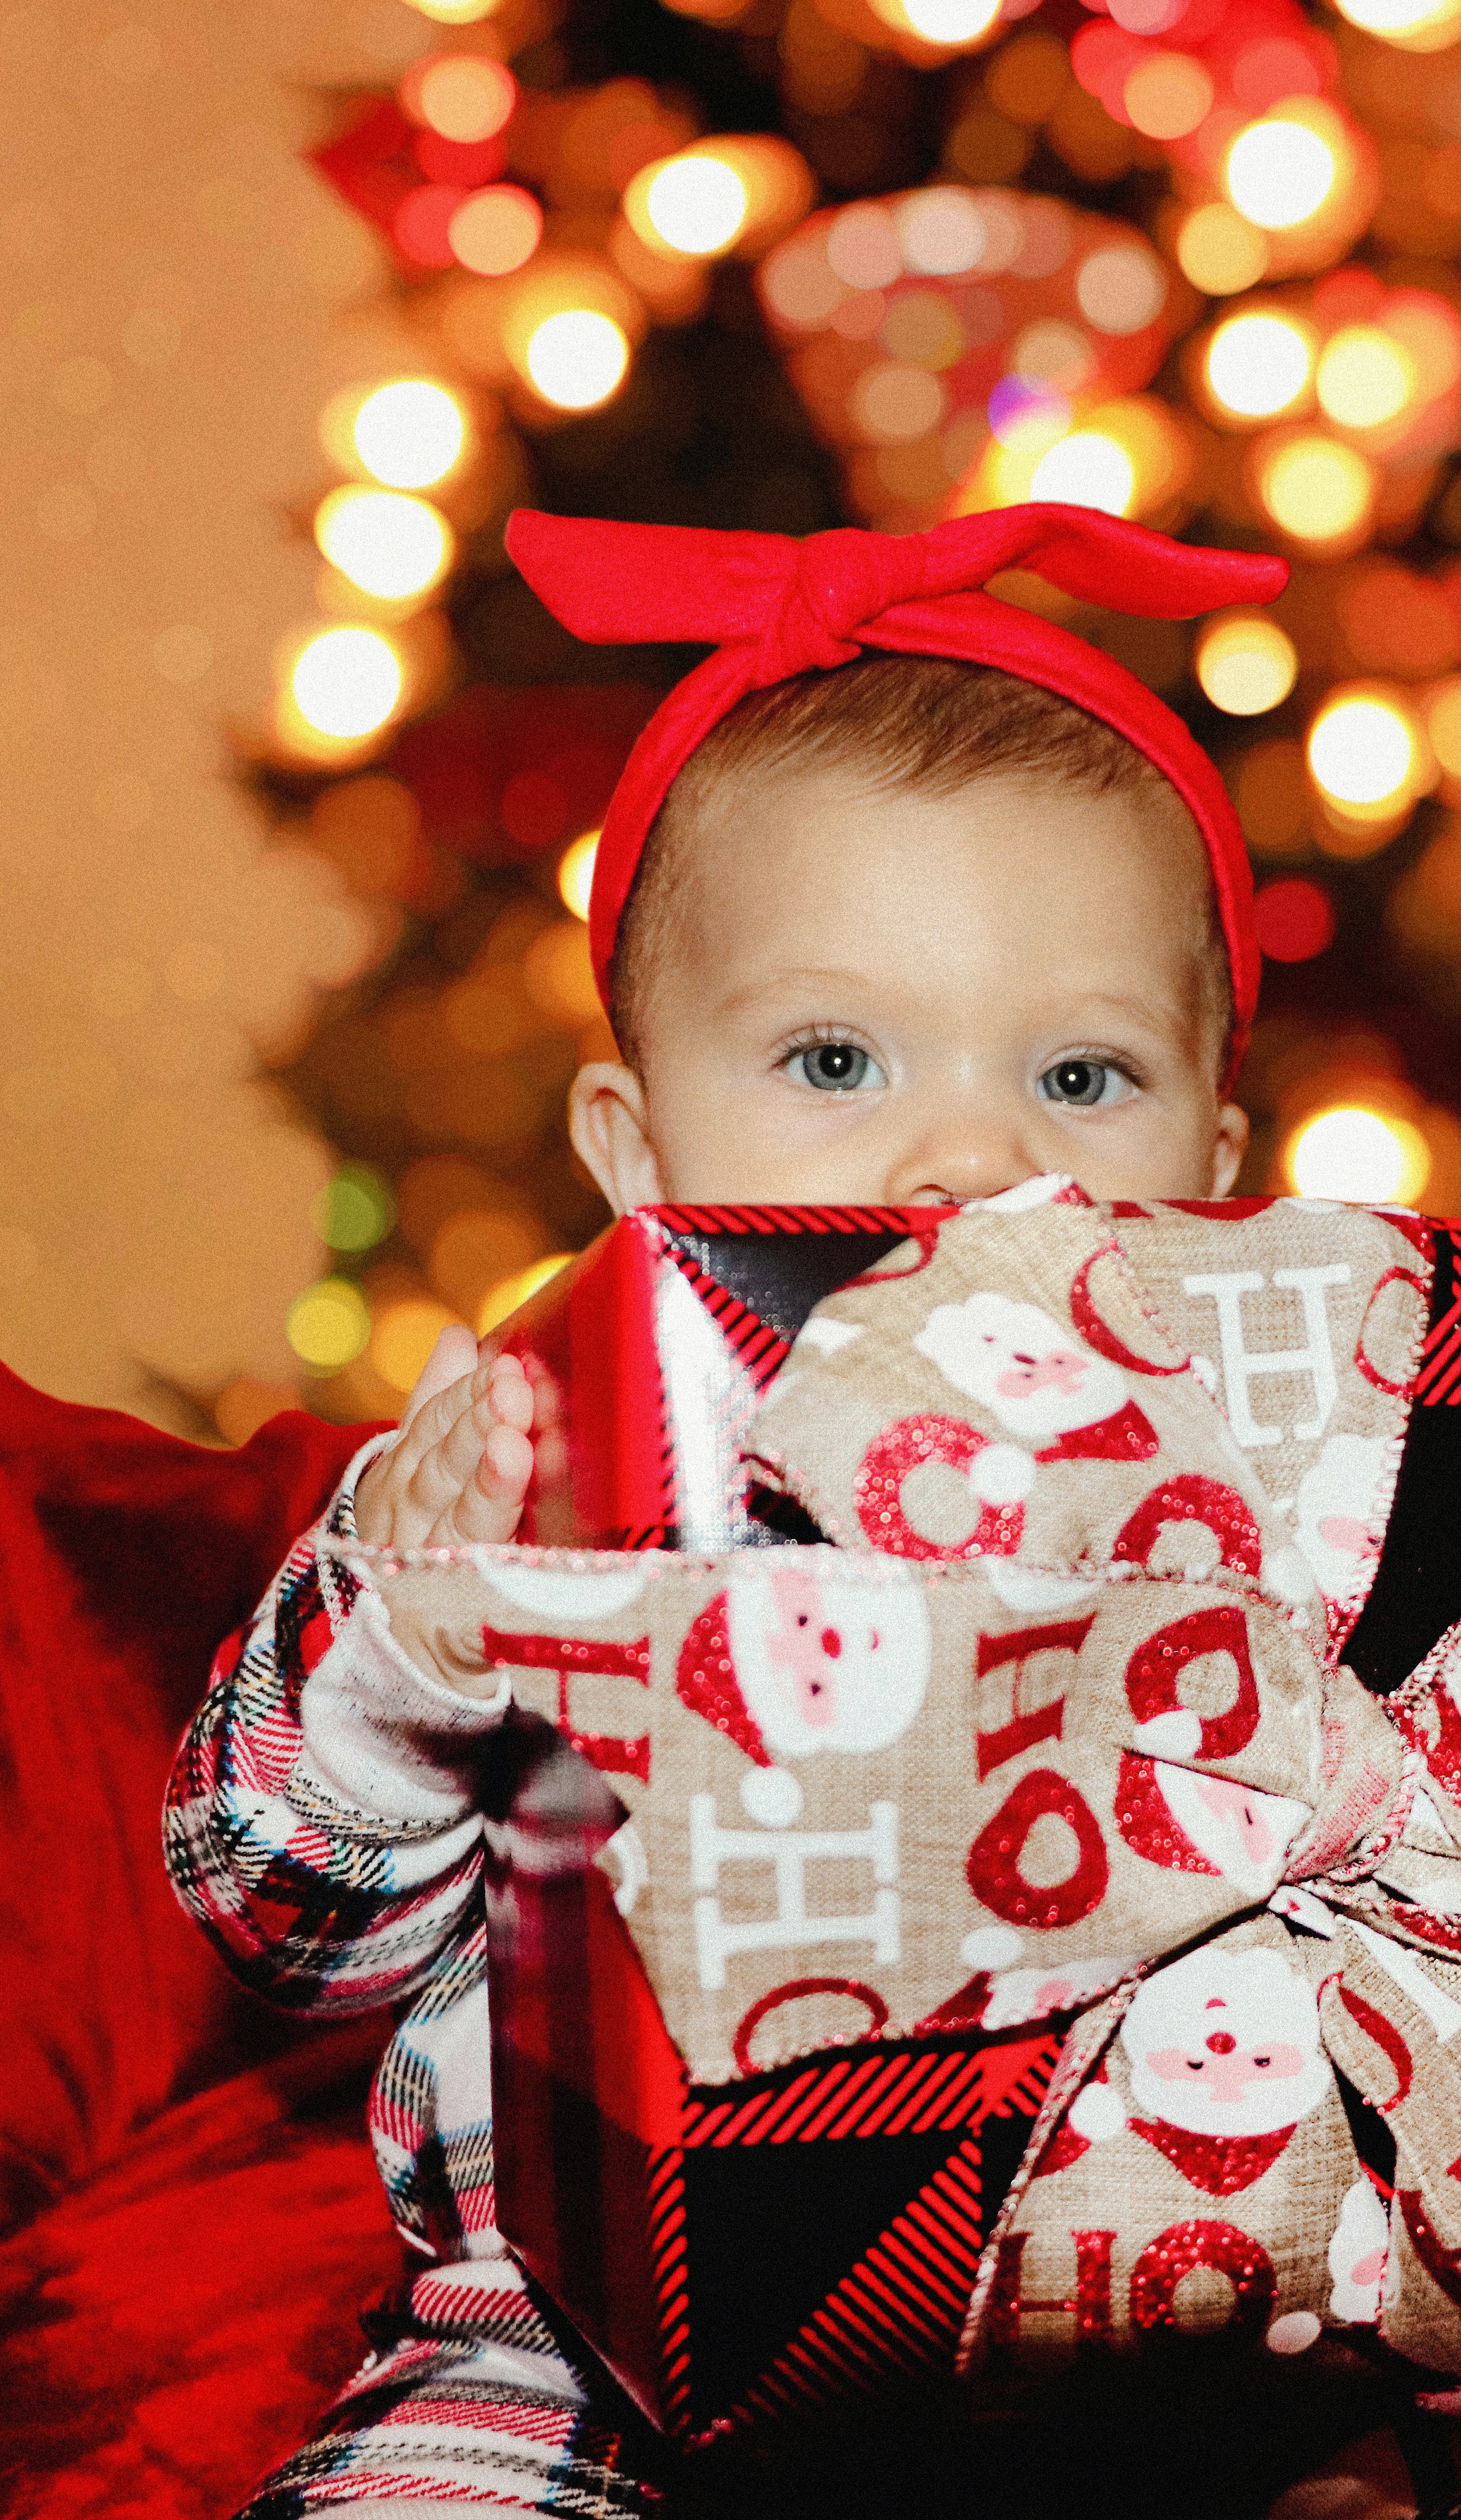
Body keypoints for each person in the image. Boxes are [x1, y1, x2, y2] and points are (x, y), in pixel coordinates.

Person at [163, 503, 1288, 2517]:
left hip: (1131, 2348)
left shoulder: (1284, 1491)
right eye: (835, 1056)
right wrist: (410, 1639)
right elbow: (274, 1913)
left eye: (1086, 1076)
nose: (964, 1153)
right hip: (569, 2345)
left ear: (1218, 1160)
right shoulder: (516, 1468)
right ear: (637, 1142)